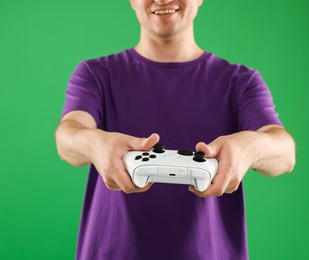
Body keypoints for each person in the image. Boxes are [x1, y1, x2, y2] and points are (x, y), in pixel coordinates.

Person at [55, 0, 296, 259]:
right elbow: (68, 135)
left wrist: (249, 147)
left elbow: (285, 154)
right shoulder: (95, 74)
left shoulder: (241, 82)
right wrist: (95, 145)